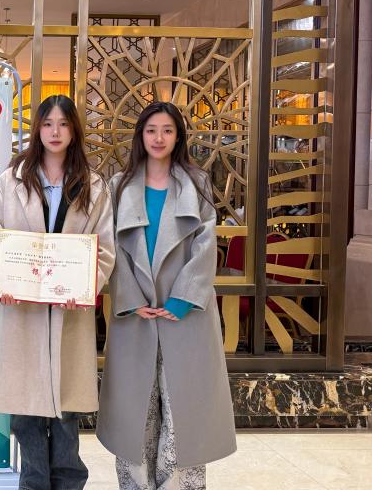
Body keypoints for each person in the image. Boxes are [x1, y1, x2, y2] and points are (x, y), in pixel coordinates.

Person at [97, 101, 236, 490]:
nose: (159, 138)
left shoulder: (196, 182)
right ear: (140, 135)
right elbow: (109, 248)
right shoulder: (118, 186)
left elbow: (206, 245)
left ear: (178, 137)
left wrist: (181, 299)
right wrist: (130, 299)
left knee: (184, 415)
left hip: (186, 316)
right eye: (151, 130)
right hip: (135, 315)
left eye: (167, 130)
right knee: (134, 414)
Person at [0, 94, 116, 490]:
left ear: (73, 130)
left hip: (68, 311)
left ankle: (69, 482)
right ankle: (34, 483)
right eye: (47, 124)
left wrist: (86, 285)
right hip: (21, 313)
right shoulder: (10, 182)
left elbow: (104, 249)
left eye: (62, 123)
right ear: (36, 130)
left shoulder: (93, 185)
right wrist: (3, 280)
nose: (55, 132)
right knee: (26, 414)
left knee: (67, 413)